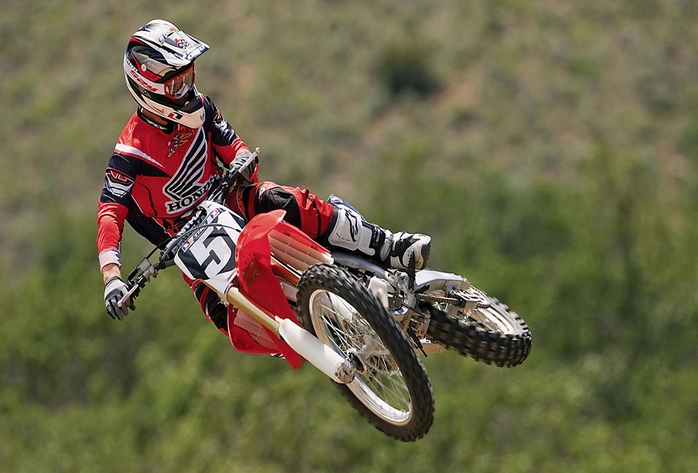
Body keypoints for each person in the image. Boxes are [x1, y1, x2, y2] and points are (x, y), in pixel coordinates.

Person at [98, 19, 431, 335]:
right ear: (149, 88)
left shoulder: (202, 106)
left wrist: (243, 161)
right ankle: (333, 339)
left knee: (282, 200)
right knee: (227, 317)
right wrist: (112, 277)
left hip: (230, 201)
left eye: (189, 76)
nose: (187, 88)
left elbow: (235, 148)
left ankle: (391, 246)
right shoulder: (129, 152)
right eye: (176, 84)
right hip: (190, 245)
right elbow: (110, 214)